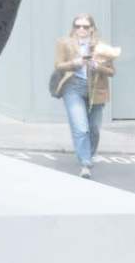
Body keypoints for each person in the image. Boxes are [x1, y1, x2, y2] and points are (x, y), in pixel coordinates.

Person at [47, 15, 113, 174]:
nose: (81, 30)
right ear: (73, 28)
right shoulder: (64, 43)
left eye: (85, 26)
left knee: (94, 129)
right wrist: (75, 63)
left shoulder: (101, 47)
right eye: (77, 26)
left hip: (96, 89)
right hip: (73, 87)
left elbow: (112, 71)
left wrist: (97, 66)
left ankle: (88, 155)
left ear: (92, 28)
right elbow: (58, 65)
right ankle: (85, 163)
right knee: (81, 127)